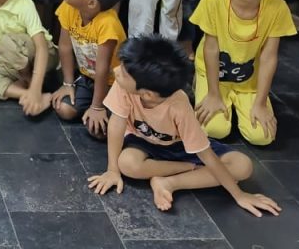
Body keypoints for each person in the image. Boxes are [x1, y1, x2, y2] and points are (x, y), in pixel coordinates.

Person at [88, 35, 281, 217]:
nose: (116, 71)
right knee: (127, 164)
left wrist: (239, 195)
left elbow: (205, 154)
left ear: (147, 94)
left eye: (123, 72)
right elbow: (117, 124)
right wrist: (112, 170)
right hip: (143, 141)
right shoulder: (124, 86)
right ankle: (190, 170)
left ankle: (169, 182)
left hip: (181, 146)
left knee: (243, 166)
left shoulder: (179, 106)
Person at [192, 0, 296, 146]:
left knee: (262, 137)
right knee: (215, 129)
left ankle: (245, 103)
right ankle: (201, 83)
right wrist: (213, 94)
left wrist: (260, 104)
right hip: (215, 75)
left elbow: (269, 58)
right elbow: (211, 49)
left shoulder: (278, 8)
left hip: (249, 81)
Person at [51, 0, 126, 138]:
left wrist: (97, 107)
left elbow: (102, 68)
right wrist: (67, 84)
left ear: (91, 3)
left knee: (99, 130)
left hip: (116, 84)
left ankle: (111, 110)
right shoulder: (68, 7)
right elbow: (64, 46)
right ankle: (91, 106)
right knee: (64, 108)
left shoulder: (108, 23)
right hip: (88, 78)